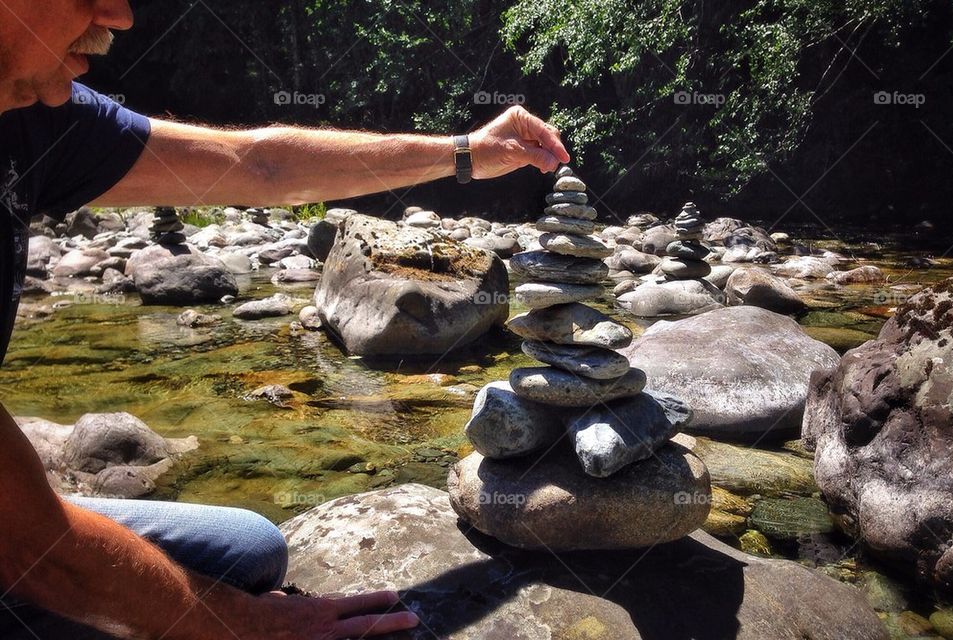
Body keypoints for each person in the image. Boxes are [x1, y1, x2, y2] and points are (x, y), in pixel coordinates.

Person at [0, 1, 570, 638]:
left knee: (246, 550)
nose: (120, 15)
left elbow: (256, 164)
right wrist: (245, 625)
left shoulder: (28, 117)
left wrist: (465, 153)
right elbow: (29, 548)